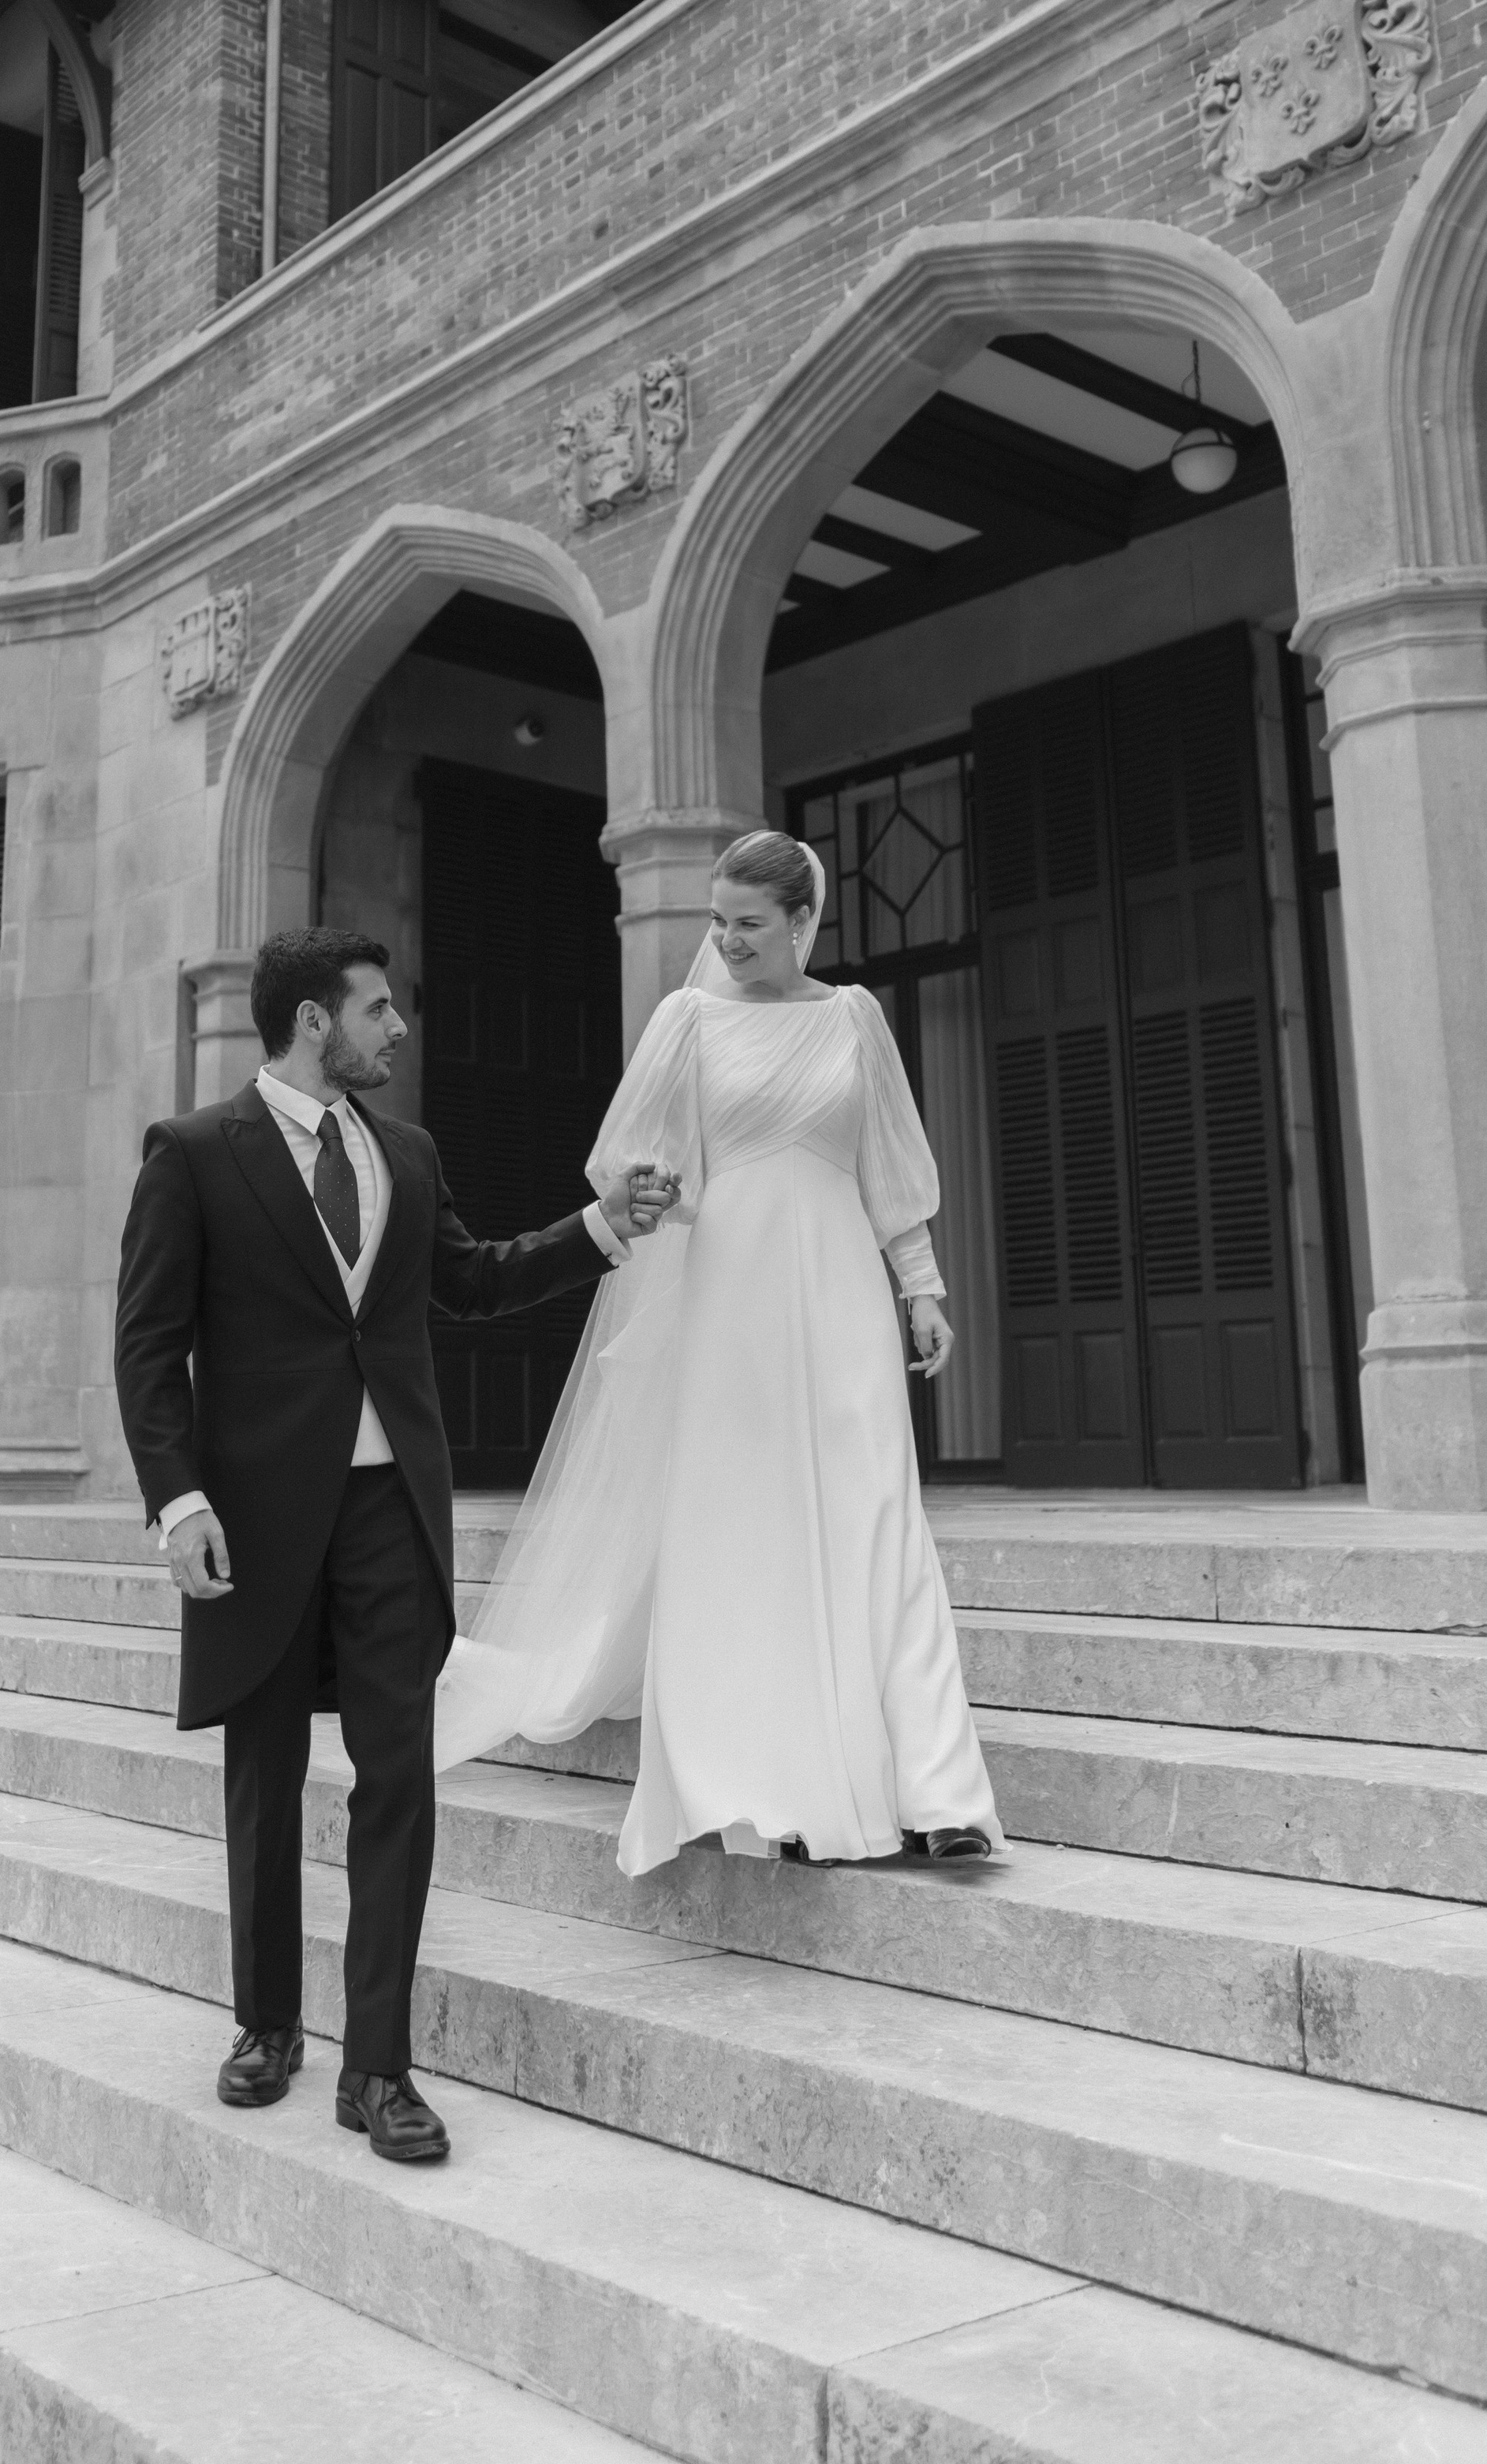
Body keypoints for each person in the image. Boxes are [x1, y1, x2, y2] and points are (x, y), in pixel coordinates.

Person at [114, 925, 675, 2165]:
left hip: (388, 1514)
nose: (398, 1030)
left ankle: (380, 2066)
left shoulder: (406, 1155)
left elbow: (469, 1282)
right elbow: (148, 1347)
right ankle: (267, 2023)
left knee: (400, 1781)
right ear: (315, 1021)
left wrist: (597, 1227)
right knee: (263, 1780)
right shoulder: (197, 1154)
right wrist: (178, 1502)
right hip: (254, 1521)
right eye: (377, 1010)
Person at [435, 831, 1000, 1875]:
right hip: (730, 1294)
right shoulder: (687, 1020)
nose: (727, 939)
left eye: (748, 922)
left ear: (801, 923)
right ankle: (762, 1781)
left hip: (843, 1295)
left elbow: (889, 1169)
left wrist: (922, 1289)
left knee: (882, 1516)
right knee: (750, 1530)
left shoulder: (855, 1019)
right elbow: (632, 1159)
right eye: (717, 919)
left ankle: (941, 1792)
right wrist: (656, 1189)